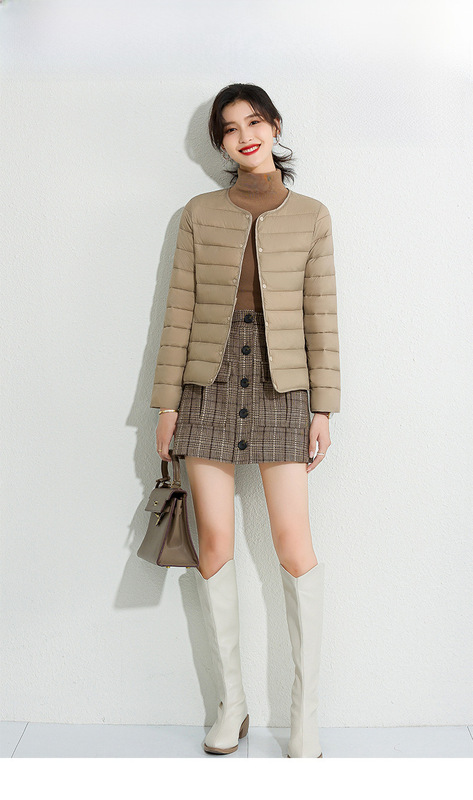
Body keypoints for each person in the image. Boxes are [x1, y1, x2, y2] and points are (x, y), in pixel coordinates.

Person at [150, 83, 340, 758]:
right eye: (229, 129)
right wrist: (166, 405)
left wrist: (323, 408)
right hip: (206, 380)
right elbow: (177, 310)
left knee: (294, 546)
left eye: (253, 121)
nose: (244, 136)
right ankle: (232, 707)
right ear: (221, 144)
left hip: (283, 384)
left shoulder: (312, 215)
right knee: (215, 544)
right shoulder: (198, 214)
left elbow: (321, 315)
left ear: (274, 126)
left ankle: (304, 715)